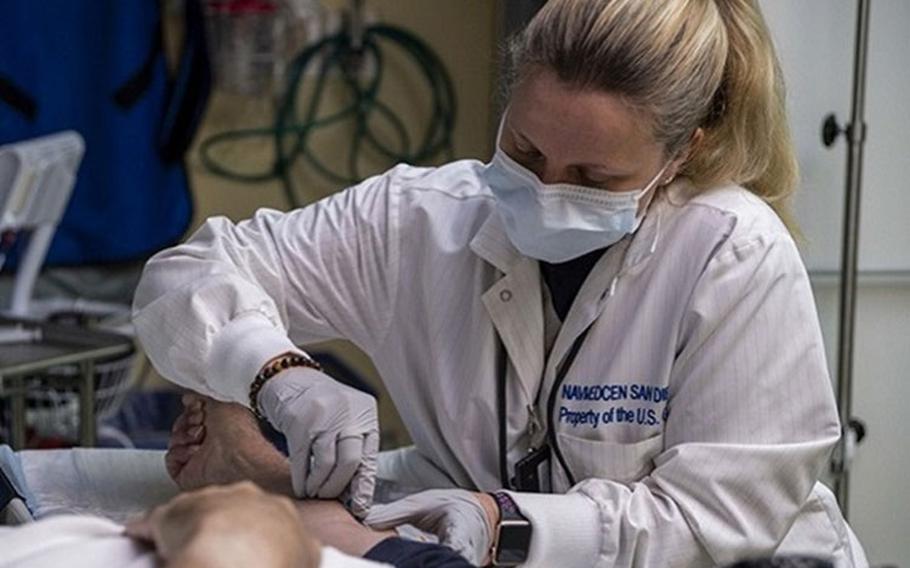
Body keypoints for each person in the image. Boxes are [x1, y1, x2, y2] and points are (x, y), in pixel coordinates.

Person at [132, 1, 868, 566]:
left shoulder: (731, 254)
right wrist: (274, 373)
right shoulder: (419, 219)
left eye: (593, 178)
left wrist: (504, 524)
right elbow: (190, 274)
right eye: (524, 148)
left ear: (683, 152)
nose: (547, 188)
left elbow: (716, 523)